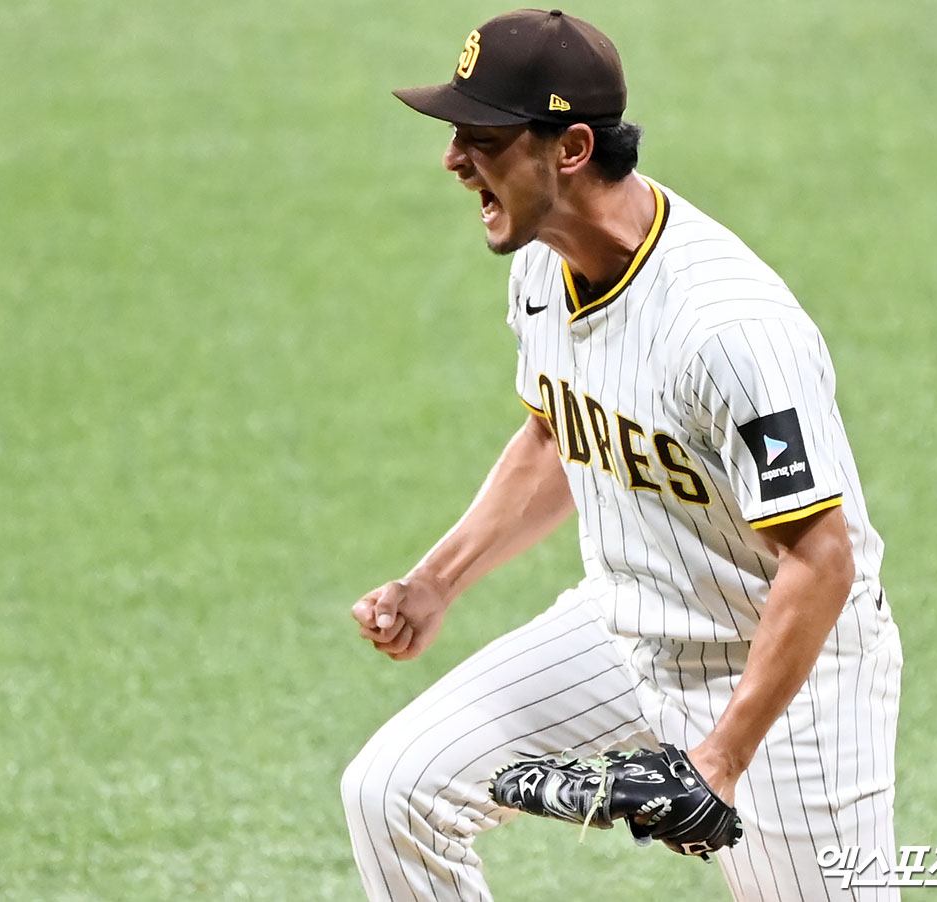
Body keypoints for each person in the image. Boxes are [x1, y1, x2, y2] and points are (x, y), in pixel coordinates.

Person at [341, 9, 902, 901]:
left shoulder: (730, 329)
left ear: (570, 149)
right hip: (624, 630)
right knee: (392, 790)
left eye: (483, 137)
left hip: (784, 673)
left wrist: (720, 758)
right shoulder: (543, 258)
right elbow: (559, 433)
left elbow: (821, 557)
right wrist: (436, 581)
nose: (453, 159)